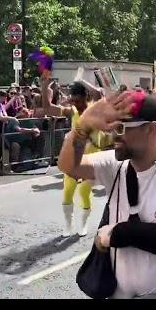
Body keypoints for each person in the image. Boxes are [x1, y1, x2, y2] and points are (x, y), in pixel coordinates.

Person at [57, 91, 156, 299]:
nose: (114, 136)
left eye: (121, 128)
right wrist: (82, 126)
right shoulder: (114, 165)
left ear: (150, 129)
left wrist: (123, 234)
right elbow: (69, 166)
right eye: (112, 127)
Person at [41, 76, 110, 237]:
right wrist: (44, 88)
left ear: (85, 97)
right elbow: (48, 108)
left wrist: (80, 80)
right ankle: (68, 225)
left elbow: (99, 93)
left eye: (76, 99)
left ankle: (83, 225)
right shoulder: (71, 112)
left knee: (84, 192)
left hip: (92, 160)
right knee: (67, 192)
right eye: (72, 100)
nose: (74, 103)